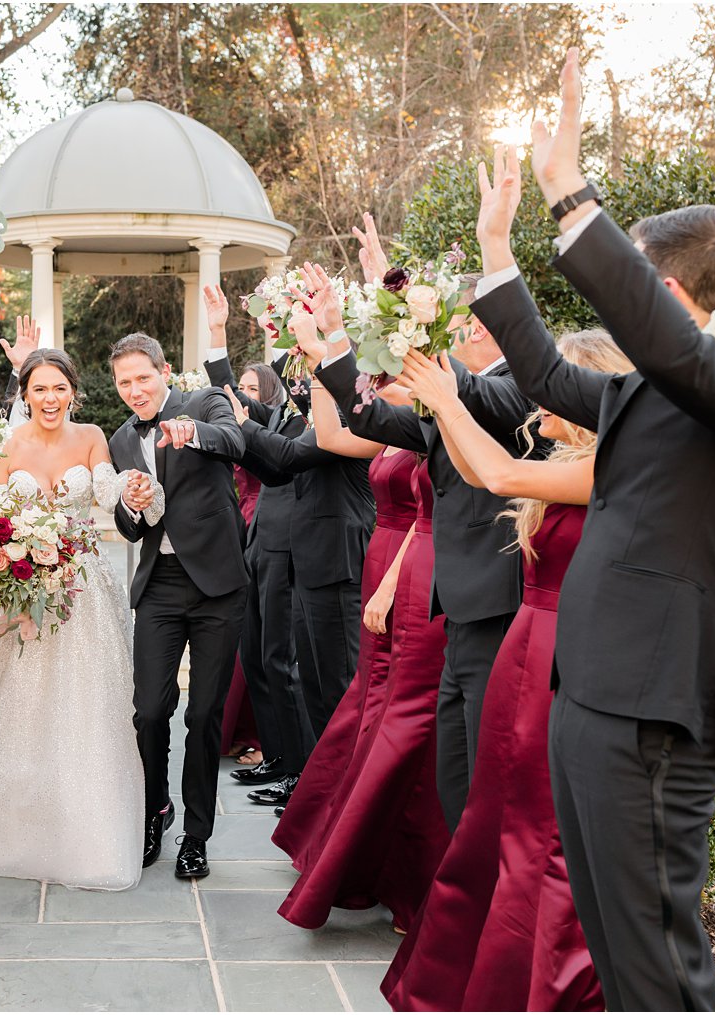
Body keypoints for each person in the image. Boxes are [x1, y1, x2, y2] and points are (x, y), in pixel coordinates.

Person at [469, 50, 715, 1010]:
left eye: (640, 288)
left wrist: (572, 197)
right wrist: (498, 254)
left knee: (658, 968)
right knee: (614, 946)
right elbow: (555, 383)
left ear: (668, 298)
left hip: (657, 714)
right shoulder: (662, 382)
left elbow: (679, 353)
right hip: (591, 692)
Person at [383, 330, 630, 1012]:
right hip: (526, 644)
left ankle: (538, 971)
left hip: (564, 656)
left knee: (536, 824)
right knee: (484, 806)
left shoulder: (612, 463)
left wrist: (444, 395)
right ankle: (488, 952)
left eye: (554, 384)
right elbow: (475, 467)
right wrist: (444, 410)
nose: (538, 396)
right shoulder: (560, 451)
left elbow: (500, 475)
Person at [298, 226, 543, 830]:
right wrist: (333, 342)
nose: (448, 338)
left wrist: (423, 347)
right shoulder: (448, 397)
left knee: (486, 766)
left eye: (455, 325)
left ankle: (484, 905)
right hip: (455, 603)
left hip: (500, 600)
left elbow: (486, 401)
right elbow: (365, 416)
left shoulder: (523, 386)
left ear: (479, 328)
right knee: (454, 768)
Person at [0, 349, 145, 890]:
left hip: (81, 587)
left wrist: (132, 489)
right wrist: (20, 557)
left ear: (72, 392)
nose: (50, 399)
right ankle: (12, 833)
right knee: (19, 705)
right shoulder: (5, 445)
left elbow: (106, 490)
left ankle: (86, 836)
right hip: (18, 584)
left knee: (84, 705)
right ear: (24, 394)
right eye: (39, 389)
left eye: (59, 388)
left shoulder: (91, 437)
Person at [274, 317, 449, 934]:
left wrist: (391, 583)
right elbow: (329, 431)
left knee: (393, 714)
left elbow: (433, 512)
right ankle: (339, 845)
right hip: (383, 550)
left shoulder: (428, 418)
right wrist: (318, 360)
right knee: (366, 705)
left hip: (408, 565)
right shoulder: (388, 427)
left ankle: (392, 868)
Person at [109, 333, 248, 879]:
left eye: (143, 377)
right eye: (125, 382)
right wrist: (132, 506)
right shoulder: (122, 439)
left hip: (217, 584)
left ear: (164, 371)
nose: (135, 389)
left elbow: (236, 441)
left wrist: (196, 434)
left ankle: (196, 836)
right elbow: (126, 524)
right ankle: (153, 812)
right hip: (160, 584)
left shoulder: (201, 404)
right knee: (148, 710)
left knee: (205, 713)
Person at [272, 379, 410, 851]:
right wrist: (315, 361)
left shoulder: (398, 426)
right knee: (315, 682)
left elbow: (303, 451)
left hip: (357, 560)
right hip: (353, 558)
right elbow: (326, 435)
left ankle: (350, 805)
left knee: (345, 689)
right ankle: (324, 797)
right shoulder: (377, 426)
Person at [199, 297, 314, 809]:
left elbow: (254, 428)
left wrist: (243, 425)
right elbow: (237, 404)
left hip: (295, 549)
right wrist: (218, 337)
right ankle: (277, 755)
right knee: (260, 655)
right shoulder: (288, 410)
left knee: (282, 661)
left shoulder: (318, 413)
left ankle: (298, 769)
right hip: (261, 543)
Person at [221, 363, 279, 764]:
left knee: (260, 637)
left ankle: (254, 732)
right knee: (239, 629)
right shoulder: (236, 424)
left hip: (262, 518)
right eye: (240, 387)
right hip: (236, 519)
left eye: (252, 388)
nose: (244, 394)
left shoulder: (269, 424)